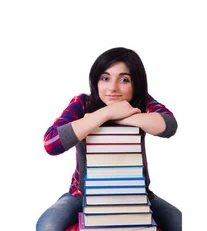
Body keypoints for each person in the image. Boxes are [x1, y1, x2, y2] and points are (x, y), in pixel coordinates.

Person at [37, 47, 182, 231]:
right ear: (96, 81)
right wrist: (106, 113)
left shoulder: (142, 103)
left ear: (135, 84)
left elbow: (169, 125)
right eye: (105, 78)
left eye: (124, 80)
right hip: (82, 194)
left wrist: (122, 115)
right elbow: (51, 143)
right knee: (48, 225)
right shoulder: (82, 104)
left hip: (137, 193)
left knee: (179, 222)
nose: (113, 87)